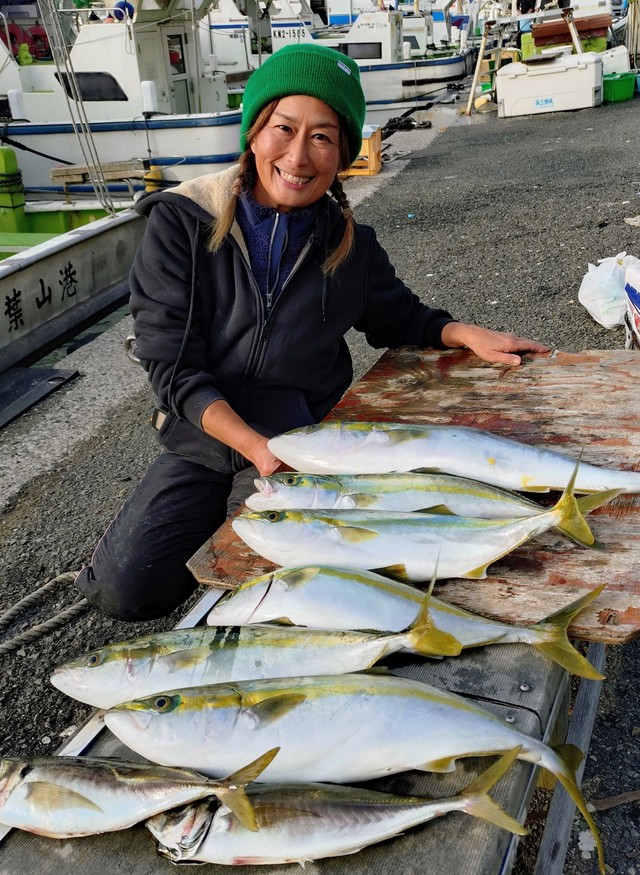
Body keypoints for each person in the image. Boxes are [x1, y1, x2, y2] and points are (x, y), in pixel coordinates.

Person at [75, 43, 549, 621]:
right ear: (254, 131)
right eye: (284, 128)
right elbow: (171, 368)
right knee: (125, 590)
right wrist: (255, 448)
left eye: (323, 136)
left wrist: (460, 332)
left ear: (343, 153)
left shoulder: (352, 244)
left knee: (285, 594)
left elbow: (400, 317)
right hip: (203, 438)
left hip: (301, 442)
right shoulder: (181, 222)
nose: (299, 156)